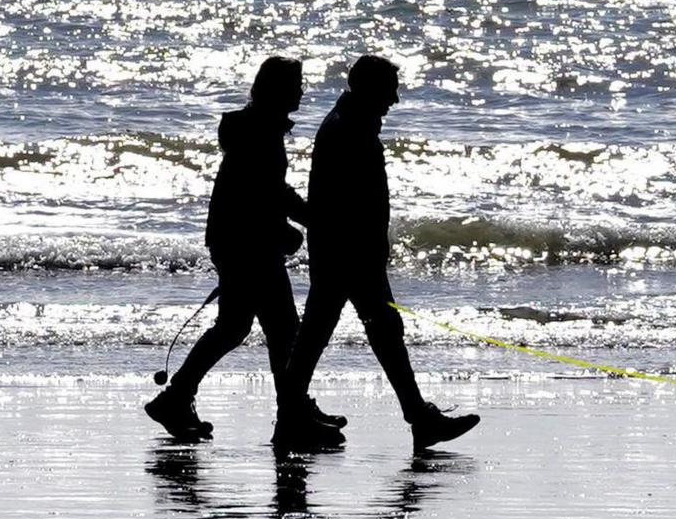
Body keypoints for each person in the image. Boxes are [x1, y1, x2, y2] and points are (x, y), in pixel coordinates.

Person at [145, 56, 347, 451]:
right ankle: (293, 414)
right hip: (247, 244)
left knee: (236, 327)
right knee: (284, 331)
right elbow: (260, 195)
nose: (302, 92)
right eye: (296, 85)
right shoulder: (260, 133)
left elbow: (267, 191)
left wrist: (303, 220)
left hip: (235, 240)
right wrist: (295, 227)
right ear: (277, 90)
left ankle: (176, 398)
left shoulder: (258, 127)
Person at [283, 54, 479, 452]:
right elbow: (350, 202)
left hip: (344, 249)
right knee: (357, 333)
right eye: (390, 90)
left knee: (345, 333)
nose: (396, 100)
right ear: (371, 89)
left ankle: (415, 417)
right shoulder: (348, 127)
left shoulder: (350, 121)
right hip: (347, 252)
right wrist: (366, 249)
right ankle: (415, 418)